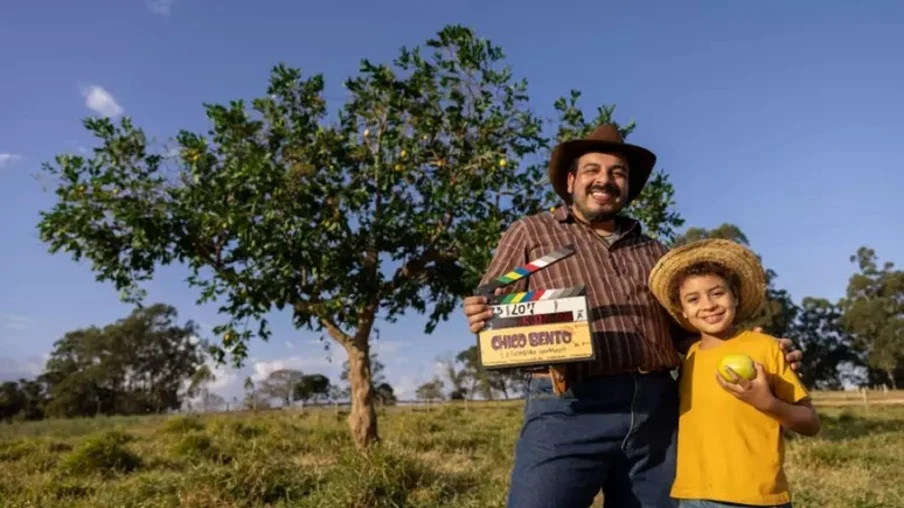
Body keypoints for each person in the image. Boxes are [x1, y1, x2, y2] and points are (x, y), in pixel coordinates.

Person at [461, 123, 803, 508]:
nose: (604, 181)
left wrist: (754, 347)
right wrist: (481, 314)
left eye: (617, 173)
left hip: (656, 411)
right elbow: (494, 311)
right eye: (592, 170)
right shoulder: (531, 233)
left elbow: (688, 332)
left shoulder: (656, 253)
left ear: (627, 186)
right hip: (569, 405)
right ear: (571, 179)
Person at [647, 238, 820, 508]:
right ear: (683, 311)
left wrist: (768, 403)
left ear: (735, 297)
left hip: (755, 497)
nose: (708, 304)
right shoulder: (688, 358)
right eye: (693, 299)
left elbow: (810, 422)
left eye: (717, 293)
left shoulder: (766, 348)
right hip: (693, 496)